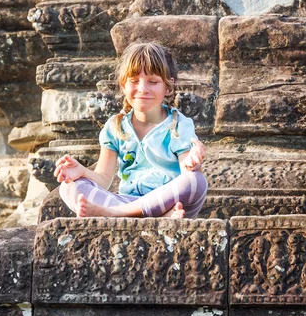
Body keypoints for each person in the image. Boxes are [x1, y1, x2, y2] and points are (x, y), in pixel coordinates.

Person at [54, 42, 207, 219]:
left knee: (196, 181)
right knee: (69, 187)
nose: (142, 89)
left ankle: (115, 214)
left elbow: (186, 175)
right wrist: (82, 172)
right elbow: (103, 178)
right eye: (134, 81)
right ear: (123, 85)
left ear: (168, 86)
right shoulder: (116, 127)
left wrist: (192, 165)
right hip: (126, 201)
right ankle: (150, 216)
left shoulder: (179, 125)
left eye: (153, 82)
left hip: (168, 201)